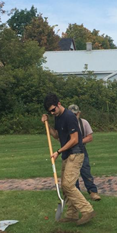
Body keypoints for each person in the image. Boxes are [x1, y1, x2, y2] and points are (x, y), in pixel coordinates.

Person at [42, 94, 95, 225]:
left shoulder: (69, 117)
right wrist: (47, 124)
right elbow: (56, 136)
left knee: (68, 185)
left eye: (53, 109)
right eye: (50, 112)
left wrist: (58, 152)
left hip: (76, 153)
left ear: (59, 104)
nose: (52, 113)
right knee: (65, 186)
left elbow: (75, 139)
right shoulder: (58, 117)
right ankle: (72, 214)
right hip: (67, 154)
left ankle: (87, 210)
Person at [68, 104, 101, 201]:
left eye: (75, 114)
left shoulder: (84, 123)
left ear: (79, 113)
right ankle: (76, 194)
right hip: (69, 151)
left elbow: (90, 137)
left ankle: (93, 192)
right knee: (73, 173)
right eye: (71, 114)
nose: (74, 116)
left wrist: (77, 141)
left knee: (86, 171)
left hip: (81, 150)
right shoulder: (65, 124)